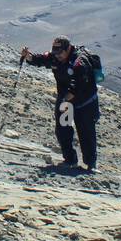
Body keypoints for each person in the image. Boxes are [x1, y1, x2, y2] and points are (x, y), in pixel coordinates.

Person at [20, 36, 100, 173]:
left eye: (60, 53)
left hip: (85, 102)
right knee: (63, 128)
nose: (58, 56)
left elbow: (81, 84)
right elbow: (41, 60)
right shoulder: (55, 57)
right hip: (66, 101)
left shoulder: (79, 62)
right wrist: (29, 57)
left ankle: (91, 164)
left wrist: (69, 96)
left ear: (68, 49)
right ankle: (70, 159)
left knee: (86, 131)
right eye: (55, 53)